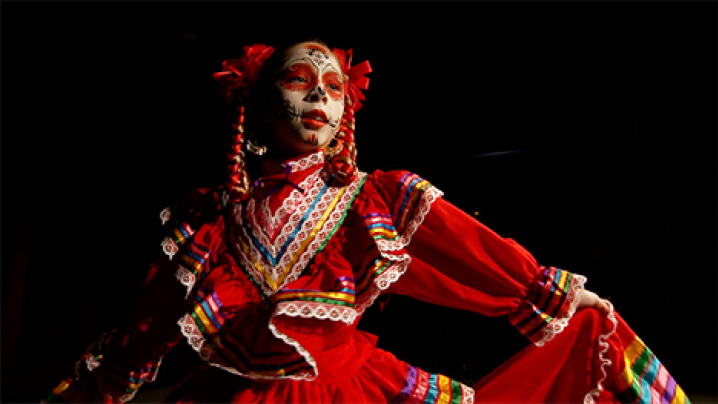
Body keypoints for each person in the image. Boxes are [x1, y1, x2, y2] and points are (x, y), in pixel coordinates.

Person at [42, 40, 691, 404]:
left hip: (350, 391)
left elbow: (466, 248)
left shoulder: (372, 199)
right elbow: (151, 314)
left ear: (348, 108)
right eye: (299, 81)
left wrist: (546, 290)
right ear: (261, 106)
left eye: (331, 85)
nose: (319, 94)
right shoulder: (211, 218)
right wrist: (104, 383)